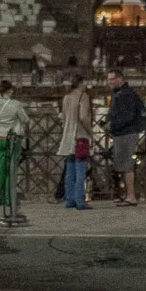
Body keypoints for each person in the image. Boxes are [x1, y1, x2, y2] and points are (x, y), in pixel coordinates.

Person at [0, 80, 30, 207]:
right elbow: (25, 119)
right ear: (9, 91)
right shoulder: (15, 104)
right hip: (11, 139)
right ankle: (9, 198)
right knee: (11, 169)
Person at [106, 69, 146, 206]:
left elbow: (127, 116)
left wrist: (112, 124)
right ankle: (127, 194)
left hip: (126, 132)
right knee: (122, 164)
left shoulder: (126, 94)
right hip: (122, 132)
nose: (109, 82)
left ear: (120, 79)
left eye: (112, 79)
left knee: (127, 164)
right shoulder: (121, 93)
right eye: (108, 79)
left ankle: (131, 196)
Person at [55, 72, 92, 210]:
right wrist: (90, 131)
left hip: (68, 136)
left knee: (69, 169)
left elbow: (64, 118)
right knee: (80, 169)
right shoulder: (83, 97)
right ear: (81, 83)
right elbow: (83, 117)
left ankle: (69, 199)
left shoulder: (66, 98)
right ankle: (80, 200)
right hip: (80, 136)